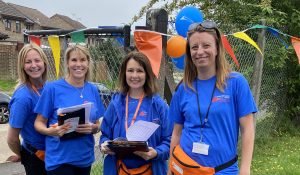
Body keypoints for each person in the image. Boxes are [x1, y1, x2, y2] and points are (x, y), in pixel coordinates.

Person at [168, 20, 257, 175]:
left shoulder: (236, 83)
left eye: (206, 45)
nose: (200, 51)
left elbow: (247, 128)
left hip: (223, 170)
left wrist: (245, 169)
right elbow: (176, 133)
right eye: (194, 47)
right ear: (189, 53)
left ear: (217, 49)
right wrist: (171, 168)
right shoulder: (183, 88)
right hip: (185, 168)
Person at [34, 44, 105, 175]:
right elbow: (38, 123)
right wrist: (51, 131)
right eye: (74, 60)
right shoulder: (52, 89)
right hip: (60, 160)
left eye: (83, 60)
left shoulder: (93, 89)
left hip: (84, 158)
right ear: (67, 63)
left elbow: (97, 124)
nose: (79, 64)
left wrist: (93, 128)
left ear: (88, 63)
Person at [100, 51, 172, 175]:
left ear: (147, 74)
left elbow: (169, 139)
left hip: (150, 169)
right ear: (124, 73)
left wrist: (156, 152)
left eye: (139, 71)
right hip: (119, 169)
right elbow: (105, 135)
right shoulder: (116, 103)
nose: (134, 75)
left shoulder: (158, 105)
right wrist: (104, 145)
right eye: (130, 70)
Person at [7, 43, 49, 175]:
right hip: (36, 158)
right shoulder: (23, 98)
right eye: (28, 62)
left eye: (37, 60)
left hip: (54, 154)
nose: (34, 65)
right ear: (22, 66)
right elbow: (12, 138)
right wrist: (23, 154)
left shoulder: (48, 88)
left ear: (44, 62)